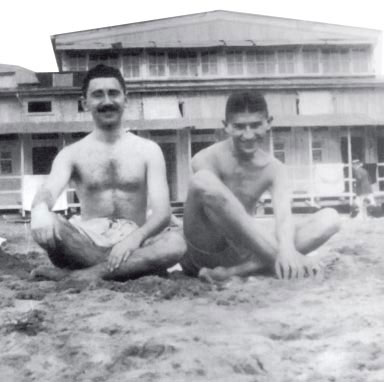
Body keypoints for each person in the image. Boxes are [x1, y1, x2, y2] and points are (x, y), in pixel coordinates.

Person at [30, 64, 186, 282]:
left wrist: (133, 240)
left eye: (113, 93)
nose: (107, 101)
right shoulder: (71, 154)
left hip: (136, 242)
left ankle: (83, 275)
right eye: (97, 95)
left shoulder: (149, 150)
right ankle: (131, 269)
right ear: (85, 103)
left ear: (125, 98)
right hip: (86, 244)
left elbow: (162, 213)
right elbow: (48, 190)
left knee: (176, 244)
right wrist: (39, 211)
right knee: (51, 224)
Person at [181, 91, 341, 282]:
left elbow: (283, 217)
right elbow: (219, 215)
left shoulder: (274, 168)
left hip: (247, 250)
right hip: (206, 248)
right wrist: (287, 253)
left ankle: (235, 272)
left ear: (268, 123)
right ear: (226, 127)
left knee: (330, 218)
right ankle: (286, 261)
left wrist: (288, 248)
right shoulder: (206, 158)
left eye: (256, 125)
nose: (248, 135)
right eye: (240, 127)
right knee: (202, 180)